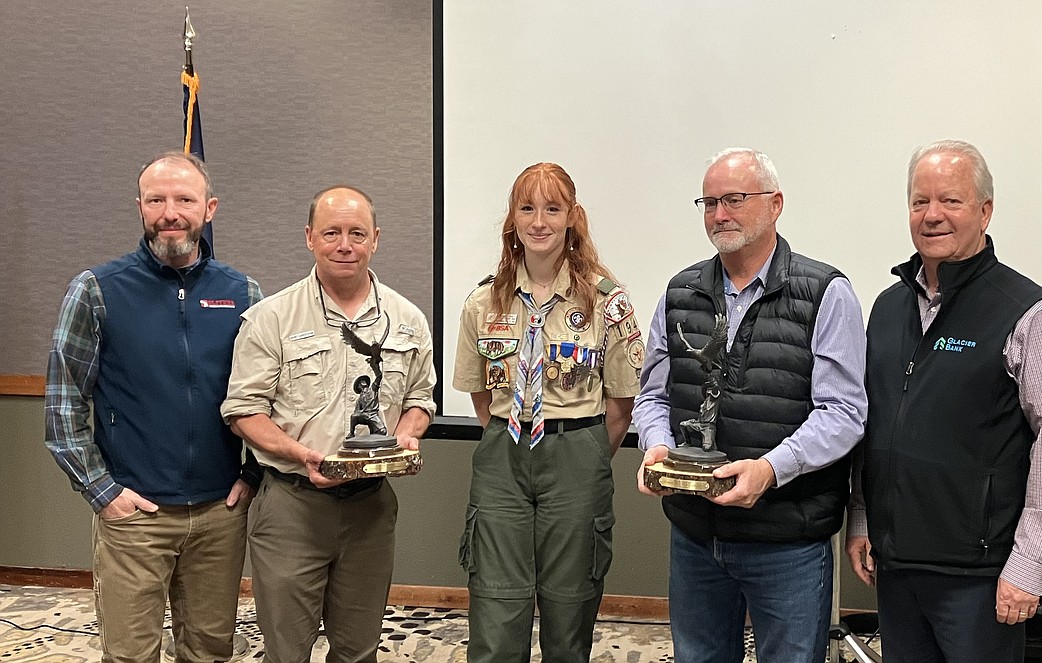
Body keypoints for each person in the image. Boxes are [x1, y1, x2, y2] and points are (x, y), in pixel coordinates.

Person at [846, 140, 1042, 662]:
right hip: (897, 566)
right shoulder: (888, 308)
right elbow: (875, 421)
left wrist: (1030, 568)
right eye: (919, 202)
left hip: (981, 579)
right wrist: (862, 520)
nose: (932, 216)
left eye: (950, 201)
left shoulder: (1030, 314)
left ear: (985, 210)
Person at [633, 147, 868, 663]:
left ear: (775, 204)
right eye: (710, 201)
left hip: (787, 541)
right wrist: (658, 447)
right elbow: (652, 393)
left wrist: (769, 469)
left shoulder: (826, 293)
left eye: (735, 199)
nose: (720, 214)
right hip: (696, 537)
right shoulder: (679, 293)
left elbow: (844, 413)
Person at [44, 151, 261, 663]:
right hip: (134, 514)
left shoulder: (243, 293)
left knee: (208, 651)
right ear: (139, 207)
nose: (170, 212)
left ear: (209, 208)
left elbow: (271, 397)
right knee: (130, 655)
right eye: (156, 199)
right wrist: (103, 492)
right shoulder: (96, 290)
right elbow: (62, 405)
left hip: (219, 513)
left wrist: (253, 474)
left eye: (184, 199)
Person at [220, 185, 436, 663]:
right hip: (293, 509)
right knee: (286, 651)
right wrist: (301, 454)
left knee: (358, 651)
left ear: (375, 239)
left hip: (370, 512)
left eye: (357, 233)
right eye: (332, 232)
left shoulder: (407, 320)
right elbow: (243, 411)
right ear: (309, 238)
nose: (345, 244)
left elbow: (421, 399)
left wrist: (407, 434)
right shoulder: (271, 318)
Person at [452, 162, 641, 663]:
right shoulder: (482, 301)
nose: (539, 221)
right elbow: (480, 397)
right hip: (503, 457)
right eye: (527, 207)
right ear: (511, 219)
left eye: (552, 209)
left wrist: (587, 451)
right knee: (495, 609)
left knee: (569, 608)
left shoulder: (605, 301)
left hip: (577, 454)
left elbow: (621, 403)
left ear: (572, 218)